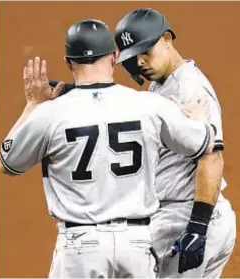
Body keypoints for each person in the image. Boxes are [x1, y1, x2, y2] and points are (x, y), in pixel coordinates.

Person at [0, 19, 215, 278]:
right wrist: (196, 117)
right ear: (114, 56)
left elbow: (8, 162)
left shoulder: (50, 114)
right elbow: (204, 143)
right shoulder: (149, 105)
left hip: (80, 247)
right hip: (134, 246)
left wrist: (33, 104)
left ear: (69, 62)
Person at [113, 7, 236, 278]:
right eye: (134, 57)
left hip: (186, 218)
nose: (141, 62)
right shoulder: (163, 83)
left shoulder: (189, 89)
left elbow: (211, 157)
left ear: (167, 39)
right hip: (193, 216)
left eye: (146, 51)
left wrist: (197, 227)